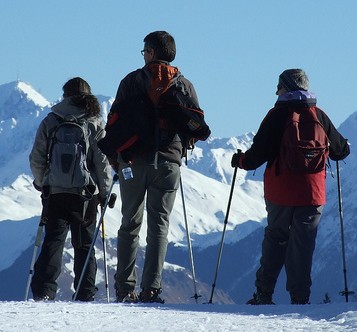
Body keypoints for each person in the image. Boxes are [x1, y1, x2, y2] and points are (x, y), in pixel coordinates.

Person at [231, 69, 350, 305]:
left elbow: (257, 154)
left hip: (280, 191)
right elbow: (341, 151)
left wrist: (240, 161)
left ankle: (264, 293)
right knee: (303, 245)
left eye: (279, 86)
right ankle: (300, 297)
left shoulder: (276, 115)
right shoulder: (319, 115)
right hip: (312, 193)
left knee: (276, 239)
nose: (276, 91)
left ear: (285, 87)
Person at [110, 31, 202, 303]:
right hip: (169, 161)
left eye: (144, 51)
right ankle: (152, 288)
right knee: (159, 224)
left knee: (129, 223)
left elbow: (114, 121)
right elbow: (194, 125)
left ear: (150, 52)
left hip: (133, 161)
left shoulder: (131, 81)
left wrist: (116, 156)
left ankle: (126, 289)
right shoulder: (184, 84)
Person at [29, 77, 112, 301]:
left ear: (65, 96)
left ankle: (44, 291)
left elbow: (37, 157)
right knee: (84, 244)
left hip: (55, 192)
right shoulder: (94, 122)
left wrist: (42, 181)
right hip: (85, 194)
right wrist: (103, 193)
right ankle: (85, 292)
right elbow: (101, 162)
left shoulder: (51, 120)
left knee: (53, 241)